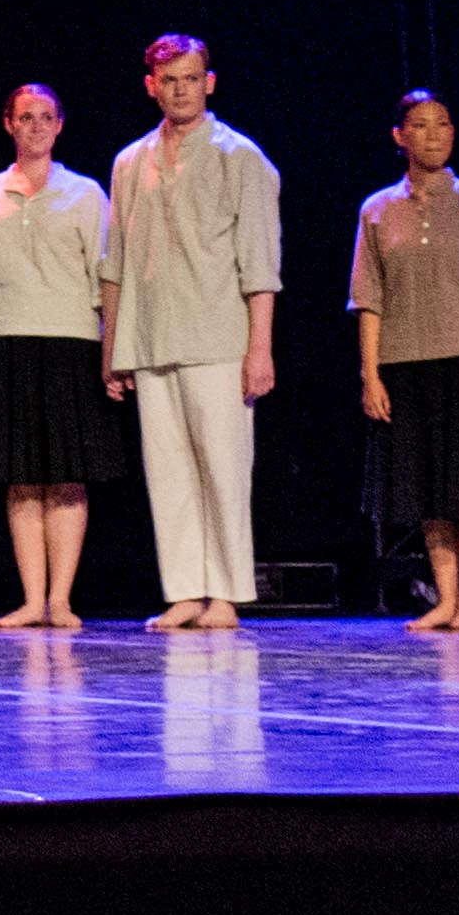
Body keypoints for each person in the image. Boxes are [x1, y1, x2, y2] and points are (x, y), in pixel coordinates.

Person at [99, 38, 280, 632]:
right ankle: (184, 590)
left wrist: (260, 348)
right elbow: (116, 262)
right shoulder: (131, 161)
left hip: (218, 337)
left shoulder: (240, 156)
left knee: (224, 468)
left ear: (210, 82)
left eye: (190, 77)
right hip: (152, 337)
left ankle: (226, 592)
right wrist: (113, 350)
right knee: (169, 470)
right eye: (168, 78)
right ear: (151, 84)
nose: (180, 88)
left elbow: (260, 263)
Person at [352, 91, 459, 634]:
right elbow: (369, 299)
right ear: (399, 137)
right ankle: (446, 599)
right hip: (406, 366)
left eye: (444, 124)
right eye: (422, 126)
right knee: (429, 490)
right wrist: (371, 373)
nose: (435, 134)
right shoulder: (378, 208)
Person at [0, 82, 115, 630]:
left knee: (67, 476)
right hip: (4, 343)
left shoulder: (87, 193)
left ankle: (61, 600)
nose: (36, 126)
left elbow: (107, 279)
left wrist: (113, 351)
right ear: (9, 124)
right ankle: (32, 599)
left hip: (71, 344)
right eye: (26, 117)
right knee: (21, 478)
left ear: (60, 125)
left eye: (46, 117)